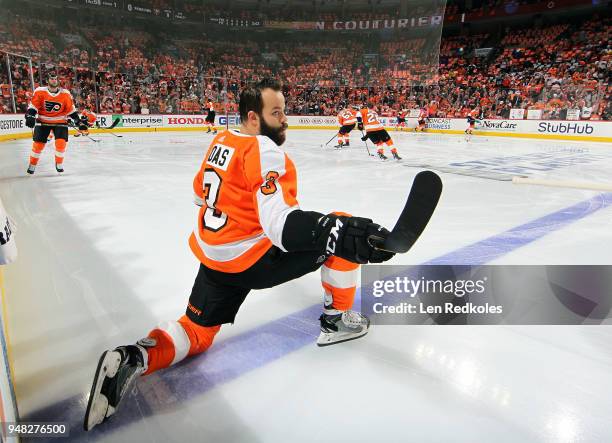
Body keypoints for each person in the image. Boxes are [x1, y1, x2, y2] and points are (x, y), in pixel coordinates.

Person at [84, 78, 398, 431]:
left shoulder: (221, 141)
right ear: (253, 117)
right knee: (341, 228)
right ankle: (336, 320)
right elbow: (281, 226)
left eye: (284, 111)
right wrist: (333, 231)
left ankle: (134, 357)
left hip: (215, 258)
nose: (285, 120)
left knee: (196, 333)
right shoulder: (265, 151)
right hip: (254, 261)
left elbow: (199, 195)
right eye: (276, 113)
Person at [25, 73, 87, 174]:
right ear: (47, 81)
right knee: (38, 145)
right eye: (52, 79)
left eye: (55, 79)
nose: (54, 80)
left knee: (61, 144)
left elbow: (70, 110)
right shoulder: (40, 91)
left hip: (60, 121)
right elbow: (33, 106)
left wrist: (78, 121)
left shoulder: (65, 93)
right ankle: (32, 164)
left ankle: (59, 163)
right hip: (43, 121)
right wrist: (31, 116)